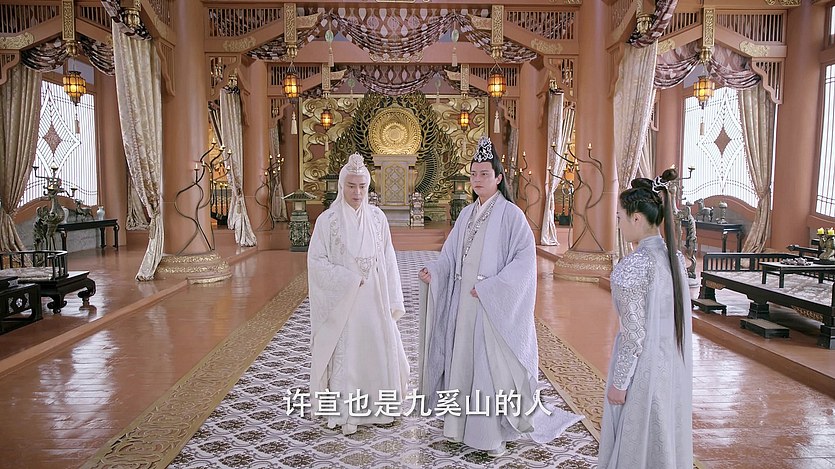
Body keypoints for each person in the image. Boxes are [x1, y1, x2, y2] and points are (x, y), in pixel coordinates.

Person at [418, 136, 581, 457]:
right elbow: (450, 257)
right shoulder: (466, 214)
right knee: (462, 364)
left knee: (488, 369)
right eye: (473, 174)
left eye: (484, 174)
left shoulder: (512, 216)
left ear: (498, 178)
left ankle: (491, 437)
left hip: (491, 306)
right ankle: (458, 428)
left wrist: (492, 288)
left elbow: (524, 262)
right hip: (463, 305)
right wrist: (435, 272)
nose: (477, 180)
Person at [308, 153, 409, 435]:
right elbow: (316, 262)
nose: (357, 192)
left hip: (375, 299)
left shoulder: (378, 218)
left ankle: (382, 409)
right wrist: (348, 279)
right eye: (351, 186)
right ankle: (347, 413)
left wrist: (393, 299)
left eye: (362, 186)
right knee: (349, 354)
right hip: (345, 302)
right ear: (342, 186)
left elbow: (388, 259)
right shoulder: (327, 221)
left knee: (377, 347)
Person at [599, 168, 693, 468]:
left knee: (636, 440)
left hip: (642, 370)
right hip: (672, 363)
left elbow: (633, 336)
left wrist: (619, 383)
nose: (619, 224)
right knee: (662, 434)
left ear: (636, 219)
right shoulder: (674, 258)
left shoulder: (631, 267)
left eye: (620, 218)